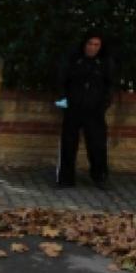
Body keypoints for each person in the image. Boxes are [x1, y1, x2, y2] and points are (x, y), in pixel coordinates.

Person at [55, 32, 117, 189]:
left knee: (97, 145)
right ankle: (65, 178)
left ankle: (100, 177)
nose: (93, 48)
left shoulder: (104, 62)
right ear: (84, 44)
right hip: (73, 108)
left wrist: (103, 105)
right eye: (90, 44)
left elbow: (110, 85)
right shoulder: (73, 60)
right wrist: (63, 104)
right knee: (68, 145)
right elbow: (61, 82)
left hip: (95, 111)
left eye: (97, 45)